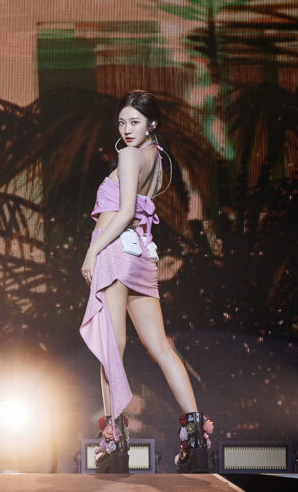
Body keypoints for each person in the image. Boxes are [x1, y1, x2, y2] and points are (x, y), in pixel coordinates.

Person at [80, 90, 213, 473]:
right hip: (141, 254)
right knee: (161, 347)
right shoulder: (157, 158)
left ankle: (114, 442)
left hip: (115, 251)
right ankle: (195, 440)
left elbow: (124, 213)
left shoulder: (128, 155)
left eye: (134, 122)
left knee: (112, 345)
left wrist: (92, 251)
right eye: (122, 122)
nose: (126, 129)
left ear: (151, 123)